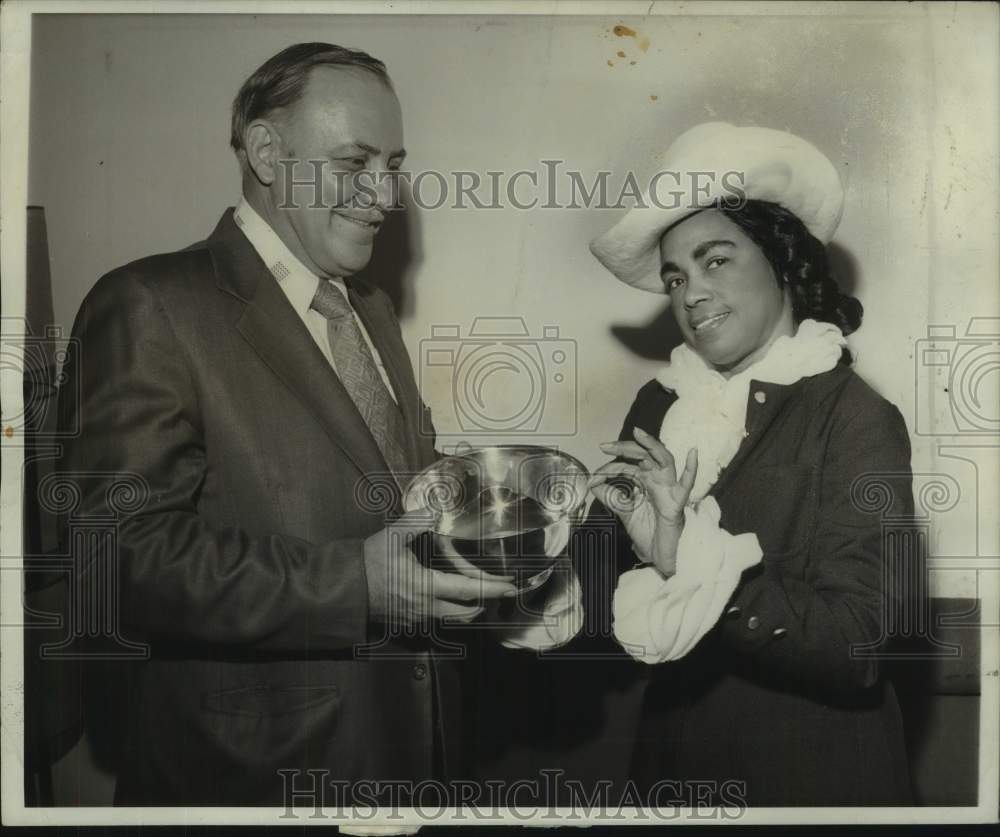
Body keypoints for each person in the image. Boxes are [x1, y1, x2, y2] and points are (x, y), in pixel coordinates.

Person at [56, 42, 580, 807]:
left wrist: (521, 540)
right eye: (355, 161)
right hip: (251, 782)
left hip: (411, 766)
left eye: (393, 163)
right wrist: (355, 585)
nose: (384, 192)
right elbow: (111, 559)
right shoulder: (150, 303)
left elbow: (409, 500)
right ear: (266, 151)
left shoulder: (368, 310)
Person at [586, 122, 915, 805]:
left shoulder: (855, 418)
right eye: (675, 276)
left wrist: (693, 565)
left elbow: (860, 645)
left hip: (812, 784)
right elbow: (599, 587)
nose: (689, 294)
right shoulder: (658, 405)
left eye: (715, 260)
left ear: (780, 260)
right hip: (672, 778)